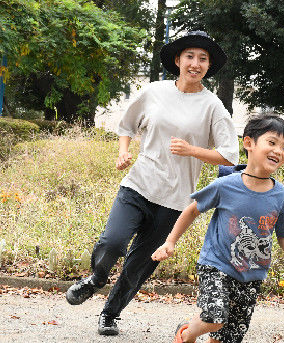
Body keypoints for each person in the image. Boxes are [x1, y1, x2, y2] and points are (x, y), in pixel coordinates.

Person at [65, 31, 239, 336]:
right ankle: (95, 279)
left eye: (203, 59)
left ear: (209, 66)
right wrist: (123, 151)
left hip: (174, 200)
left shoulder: (212, 106)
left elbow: (229, 155)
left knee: (140, 266)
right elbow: (127, 125)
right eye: (190, 56)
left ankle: (110, 314)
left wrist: (192, 150)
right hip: (138, 184)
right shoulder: (155, 91)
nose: (195, 64)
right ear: (177, 60)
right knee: (113, 242)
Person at [152, 115, 284, 343]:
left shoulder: (282, 197)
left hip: (252, 274)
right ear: (248, 143)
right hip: (216, 264)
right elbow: (192, 211)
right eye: (272, 143)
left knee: (228, 336)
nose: (279, 151)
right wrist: (170, 242)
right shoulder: (226, 185)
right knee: (214, 318)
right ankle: (187, 333)